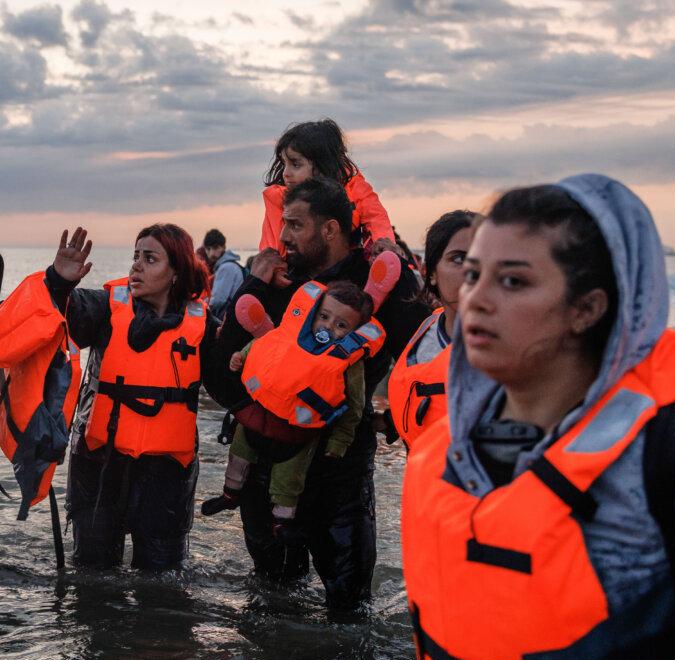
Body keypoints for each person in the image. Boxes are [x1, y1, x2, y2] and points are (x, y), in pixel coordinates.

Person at [402, 175, 675, 660]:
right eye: (472, 274)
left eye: (514, 281)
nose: (477, 299)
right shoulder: (447, 449)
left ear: (586, 308)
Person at [205, 176, 429, 616]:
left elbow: (427, 354)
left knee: (348, 610)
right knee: (271, 602)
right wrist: (254, 283)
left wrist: (389, 421)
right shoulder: (275, 280)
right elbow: (218, 365)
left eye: (294, 225)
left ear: (330, 229)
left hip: (338, 472)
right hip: (267, 461)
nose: (283, 235)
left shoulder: (377, 281)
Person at [43, 223, 217, 570]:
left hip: (167, 470)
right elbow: (56, 318)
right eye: (135, 256)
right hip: (99, 461)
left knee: (162, 580)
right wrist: (59, 282)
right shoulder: (106, 308)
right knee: (92, 575)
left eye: (149, 258)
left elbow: (233, 390)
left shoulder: (204, 325)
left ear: (176, 271)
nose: (136, 265)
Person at [200, 279, 385, 539]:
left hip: (298, 434)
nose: (328, 327)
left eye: (341, 325)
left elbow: (354, 407)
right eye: (324, 316)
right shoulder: (290, 334)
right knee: (239, 452)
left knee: (289, 482)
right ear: (314, 313)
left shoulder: (348, 363)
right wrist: (239, 357)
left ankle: (282, 523)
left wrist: (339, 443)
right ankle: (230, 494)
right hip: (257, 418)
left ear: (355, 332)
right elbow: (262, 348)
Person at [385, 210, 479, 448]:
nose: (472, 271)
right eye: (458, 258)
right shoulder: (424, 331)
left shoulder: (520, 348)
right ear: (430, 273)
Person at [259, 119, 393, 256]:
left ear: (322, 165)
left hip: (347, 268)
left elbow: (376, 219)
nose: (285, 173)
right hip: (296, 273)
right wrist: (275, 269)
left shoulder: (354, 188)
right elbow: (270, 249)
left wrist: (384, 249)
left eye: (295, 164)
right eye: (284, 164)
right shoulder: (278, 198)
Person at [200, 228, 245, 320]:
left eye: (215, 247)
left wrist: (199, 307)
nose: (212, 252)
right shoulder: (230, 265)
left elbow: (218, 300)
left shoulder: (226, 267)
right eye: (208, 248)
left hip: (231, 317)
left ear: (224, 247)